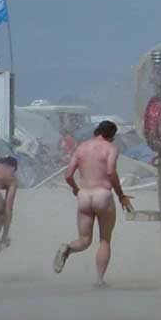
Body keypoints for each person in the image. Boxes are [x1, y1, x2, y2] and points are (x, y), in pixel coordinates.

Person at [53, 121, 134, 288]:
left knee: (84, 240)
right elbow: (111, 171)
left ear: (97, 131)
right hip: (102, 194)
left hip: (84, 195)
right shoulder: (110, 148)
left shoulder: (81, 147)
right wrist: (121, 195)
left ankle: (67, 248)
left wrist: (76, 189)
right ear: (112, 135)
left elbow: (68, 175)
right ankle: (99, 280)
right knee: (104, 240)